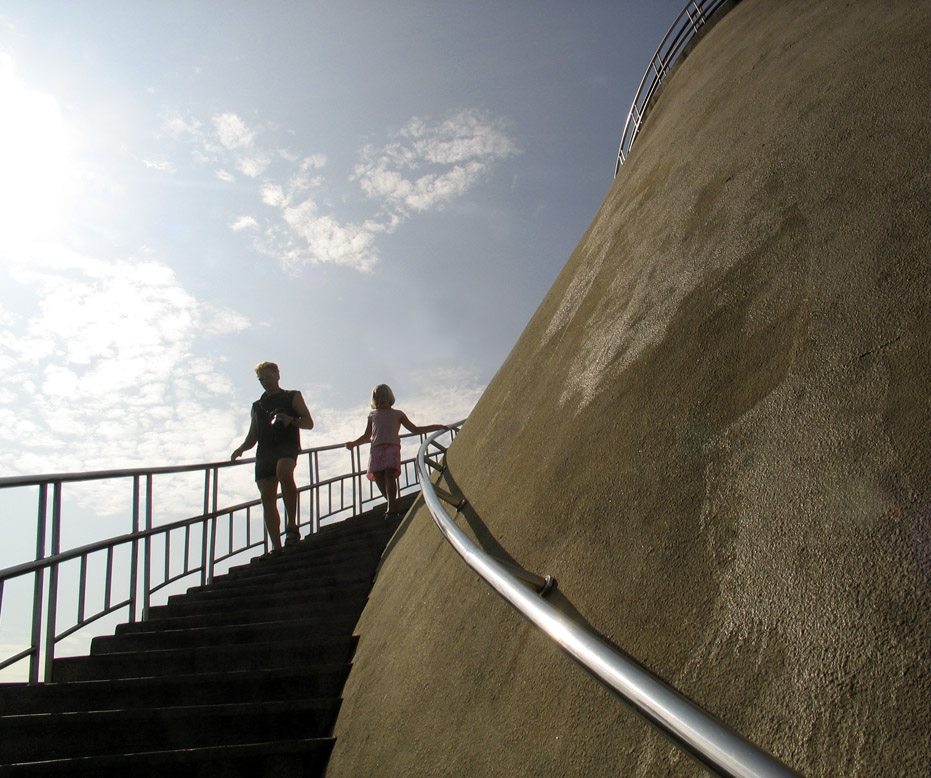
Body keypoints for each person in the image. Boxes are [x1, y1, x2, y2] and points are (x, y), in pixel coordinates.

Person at [231, 361, 314, 552]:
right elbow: (253, 435)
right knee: (267, 496)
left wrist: (290, 420)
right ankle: (276, 547)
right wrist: (241, 448)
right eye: (261, 379)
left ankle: (292, 526)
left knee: (284, 472)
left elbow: (309, 422)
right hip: (265, 450)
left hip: (286, 445)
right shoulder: (257, 406)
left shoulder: (292, 396)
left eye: (269, 377)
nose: (266, 382)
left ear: (278, 375)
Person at [345, 384, 448, 515]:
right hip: (376, 448)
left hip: (391, 446)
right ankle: (392, 502)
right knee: (377, 475)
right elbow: (367, 436)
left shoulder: (398, 414)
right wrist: (354, 443)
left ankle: (391, 505)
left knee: (389, 473)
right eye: (378, 397)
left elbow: (414, 429)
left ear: (389, 398)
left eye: (384, 396)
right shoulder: (372, 415)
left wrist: (435, 426)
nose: (381, 399)